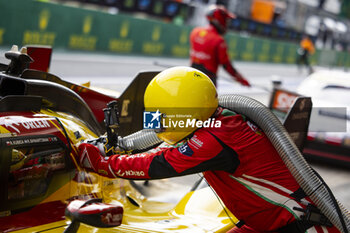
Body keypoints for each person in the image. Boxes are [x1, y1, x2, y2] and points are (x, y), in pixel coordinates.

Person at [77, 67, 340, 233]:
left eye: (160, 114)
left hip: (301, 226)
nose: (154, 120)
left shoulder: (215, 138)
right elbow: (153, 133)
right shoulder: (218, 117)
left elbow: (158, 164)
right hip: (271, 222)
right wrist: (120, 144)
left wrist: (105, 163)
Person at [189, 5, 250, 87]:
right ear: (220, 20)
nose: (227, 24)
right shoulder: (219, 41)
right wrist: (242, 80)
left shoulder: (195, 32)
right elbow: (227, 66)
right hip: (208, 82)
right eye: (226, 20)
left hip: (190, 77)